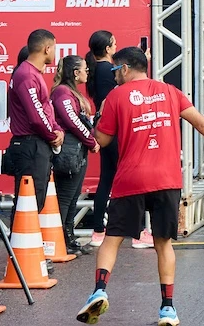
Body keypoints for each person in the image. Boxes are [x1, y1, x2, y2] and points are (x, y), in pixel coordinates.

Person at [76, 47, 204, 326]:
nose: (114, 76)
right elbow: (203, 125)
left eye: (115, 70)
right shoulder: (170, 91)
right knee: (163, 243)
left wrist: (98, 116)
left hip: (131, 179)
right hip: (167, 180)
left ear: (125, 69)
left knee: (113, 238)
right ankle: (168, 308)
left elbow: (102, 140)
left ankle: (99, 291)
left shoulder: (116, 97)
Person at [5, 29, 64, 223]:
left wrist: (57, 129)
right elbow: (36, 116)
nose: (55, 52)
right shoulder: (27, 75)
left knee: (32, 202)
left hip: (35, 144)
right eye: (54, 48)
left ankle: (23, 242)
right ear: (47, 48)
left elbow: (44, 109)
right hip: (31, 145)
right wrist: (53, 135)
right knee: (28, 203)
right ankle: (18, 243)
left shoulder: (31, 73)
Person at [51, 53, 100, 255]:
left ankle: (69, 238)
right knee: (65, 197)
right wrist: (91, 141)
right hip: (69, 151)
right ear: (75, 73)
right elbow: (73, 122)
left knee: (72, 197)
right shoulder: (62, 92)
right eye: (85, 69)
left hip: (77, 151)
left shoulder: (70, 92)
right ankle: (59, 240)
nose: (87, 73)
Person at [85, 30, 120, 247]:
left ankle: (99, 229)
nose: (116, 47)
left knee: (107, 178)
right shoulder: (107, 68)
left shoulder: (97, 68)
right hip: (113, 127)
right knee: (121, 177)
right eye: (114, 44)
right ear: (107, 48)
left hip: (104, 127)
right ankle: (132, 229)